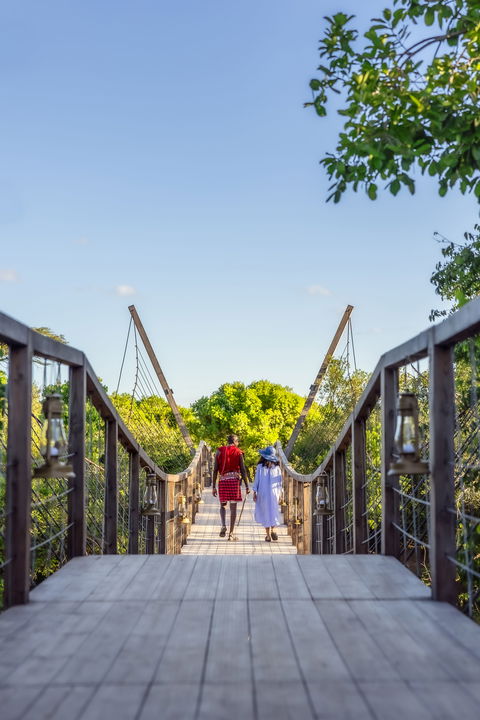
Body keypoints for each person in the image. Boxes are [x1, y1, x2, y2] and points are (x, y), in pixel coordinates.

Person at [212, 433, 250, 541]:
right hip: (234, 482)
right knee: (233, 508)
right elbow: (243, 470)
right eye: (237, 442)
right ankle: (231, 534)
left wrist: (213, 486)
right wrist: (247, 486)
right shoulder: (238, 452)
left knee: (223, 505)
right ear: (235, 442)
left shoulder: (219, 451)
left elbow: (215, 469)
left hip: (223, 481)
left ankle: (223, 525)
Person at [252, 445, 282, 542]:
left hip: (263, 493)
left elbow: (257, 480)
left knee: (265, 512)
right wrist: (281, 494)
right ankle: (273, 529)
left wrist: (254, 492)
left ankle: (268, 535)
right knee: (273, 510)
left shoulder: (260, 467)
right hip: (274, 493)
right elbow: (279, 482)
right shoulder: (277, 468)